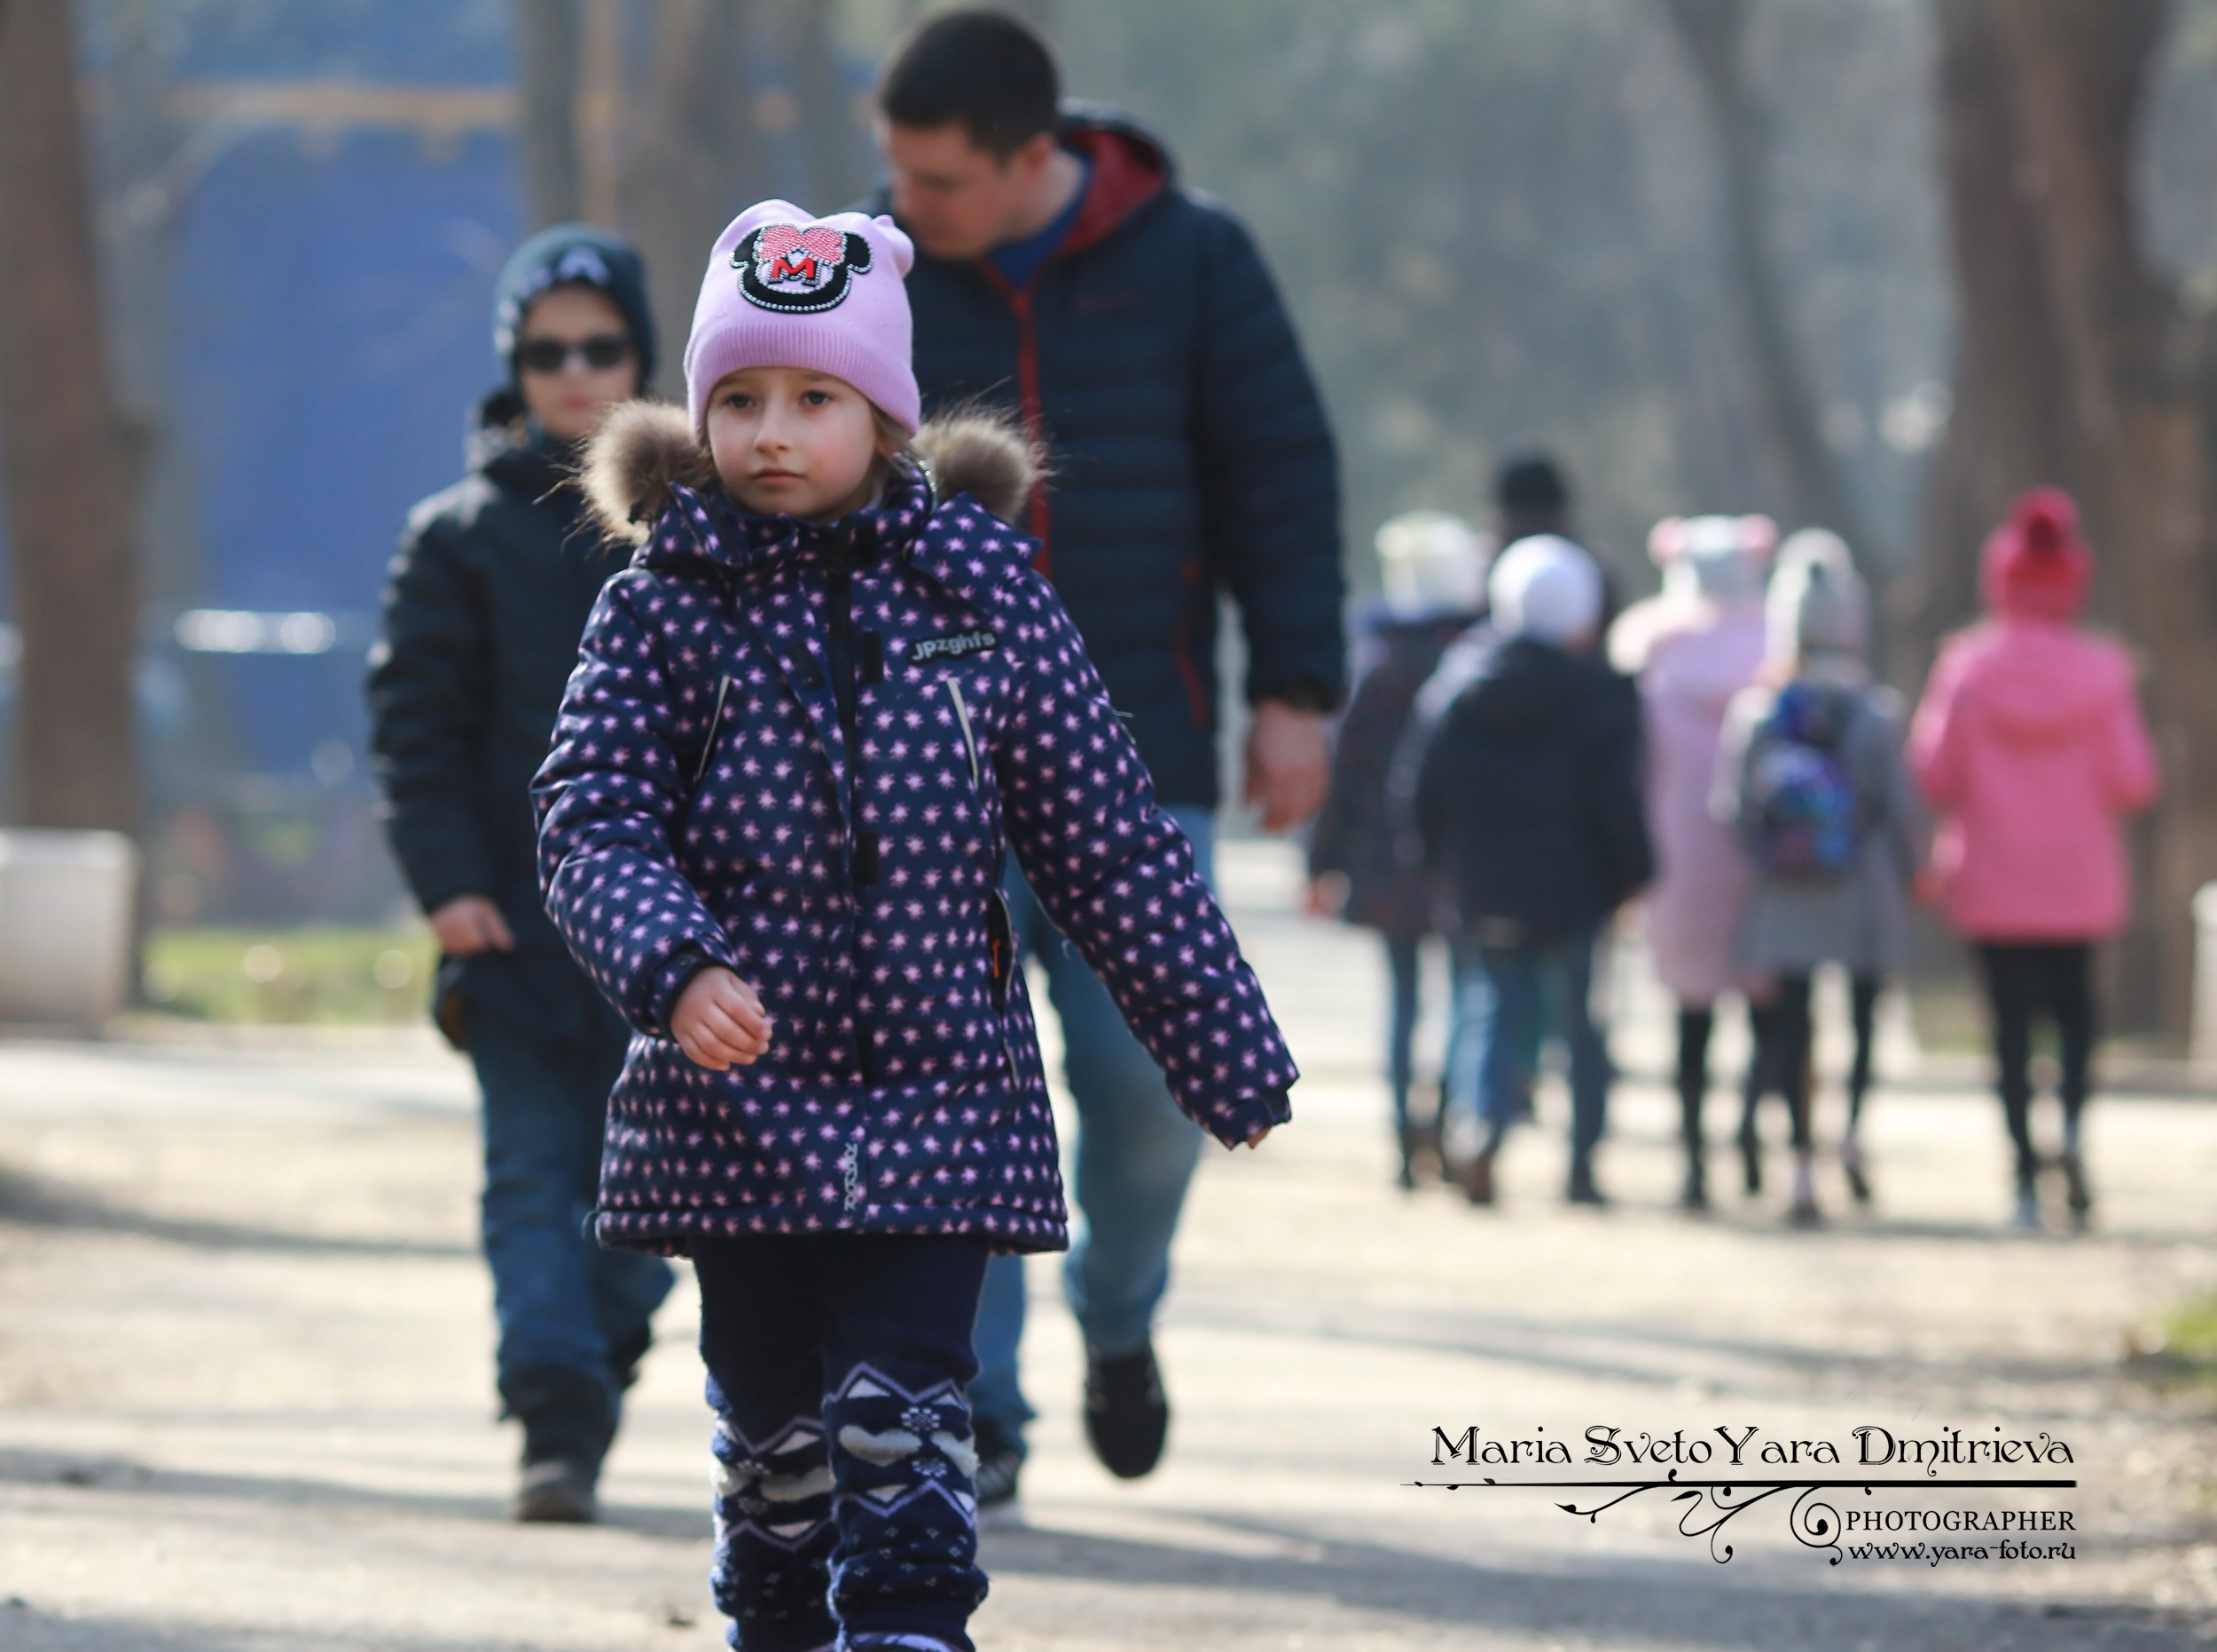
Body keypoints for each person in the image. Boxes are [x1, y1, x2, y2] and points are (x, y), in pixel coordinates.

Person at [536, 199, 1297, 1652]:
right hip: (737, 1100)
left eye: (814, 399)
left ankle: (911, 1628)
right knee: (777, 1447)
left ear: (883, 417)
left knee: (904, 1419)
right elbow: (592, 813)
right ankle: (778, 1622)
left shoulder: (980, 589)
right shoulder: (661, 607)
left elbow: (1107, 834)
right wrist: (672, 964)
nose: (772, 433)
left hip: (937, 1091)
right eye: (740, 399)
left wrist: (1220, 1044)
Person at [872, 9, 1344, 1507]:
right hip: (924, 772)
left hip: (1139, 755)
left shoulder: (1196, 257)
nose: (905, 205)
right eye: (895, 172)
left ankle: (1119, 1310)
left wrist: (1296, 690)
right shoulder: (872, 274)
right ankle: (976, 1403)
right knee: (955, 1089)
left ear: (1033, 157)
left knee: (1144, 1088)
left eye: (938, 181)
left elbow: (1281, 474)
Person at [366, 224, 672, 1523]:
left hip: (676, 943)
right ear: (515, 368)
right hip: (509, 924)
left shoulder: (699, 530)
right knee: (531, 1177)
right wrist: (447, 885)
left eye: (601, 347)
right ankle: (554, 1411)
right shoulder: (456, 538)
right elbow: (415, 730)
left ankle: (595, 1349)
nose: (576, 373)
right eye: (548, 353)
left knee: (654, 1198)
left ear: (642, 355)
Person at [1908, 489, 2158, 1231]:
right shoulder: (2104, 672)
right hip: (2080, 877)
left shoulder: (1967, 668)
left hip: (1992, 875)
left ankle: (2022, 1174)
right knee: (2077, 1016)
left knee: (2010, 1028)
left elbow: (1933, 773)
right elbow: (2134, 779)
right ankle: (2073, 1131)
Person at [1414, 536, 1653, 1207]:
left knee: (1491, 1006)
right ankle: (1582, 1164)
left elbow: (1422, 785)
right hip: (1576, 887)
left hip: (1482, 881)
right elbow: (1617, 798)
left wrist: (1434, 863)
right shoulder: (1600, 693)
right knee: (1580, 1024)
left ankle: (1480, 1128)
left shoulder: (1459, 683)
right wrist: (1635, 871)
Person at [1715, 531, 1923, 1226]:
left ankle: (1799, 1165)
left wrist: (1769, 855)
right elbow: (1900, 806)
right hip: (1862, 890)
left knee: (1791, 1028)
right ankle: (1853, 1134)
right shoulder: (1877, 712)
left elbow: (1732, 806)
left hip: (1783, 894)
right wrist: (1916, 871)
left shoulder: (1758, 712)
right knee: (1863, 1021)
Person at [1309, 512, 1486, 1188]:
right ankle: (1447, 1117)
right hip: (1461, 860)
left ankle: (1401, 1135)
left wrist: (1323, 861)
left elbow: (1345, 774)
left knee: (1404, 998)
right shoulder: (1477, 658)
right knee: (1465, 994)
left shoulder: (1375, 663)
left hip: (1383, 861)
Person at [1608, 514, 1774, 1210]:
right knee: (1768, 1009)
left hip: (1675, 854)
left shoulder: (1648, 651)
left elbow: (1631, 768)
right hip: (1763, 857)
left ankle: (1693, 1155)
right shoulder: (1777, 646)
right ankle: (1753, 1132)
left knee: (1691, 1015)